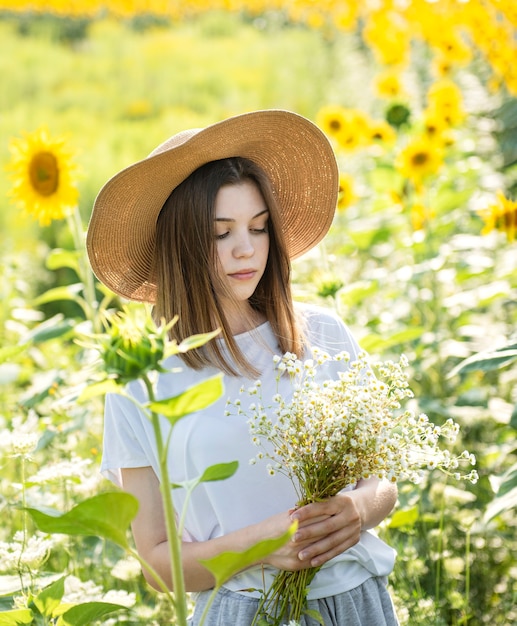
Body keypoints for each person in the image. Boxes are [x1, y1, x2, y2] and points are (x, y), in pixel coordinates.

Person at [86, 109, 399, 625]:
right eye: (220, 233)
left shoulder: (322, 335)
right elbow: (159, 565)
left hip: (356, 599)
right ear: (182, 243)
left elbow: (381, 481)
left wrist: (358, 511)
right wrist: (263, 543)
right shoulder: (141, 380)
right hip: (240, 611)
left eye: (258, 227)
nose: (245, 248)